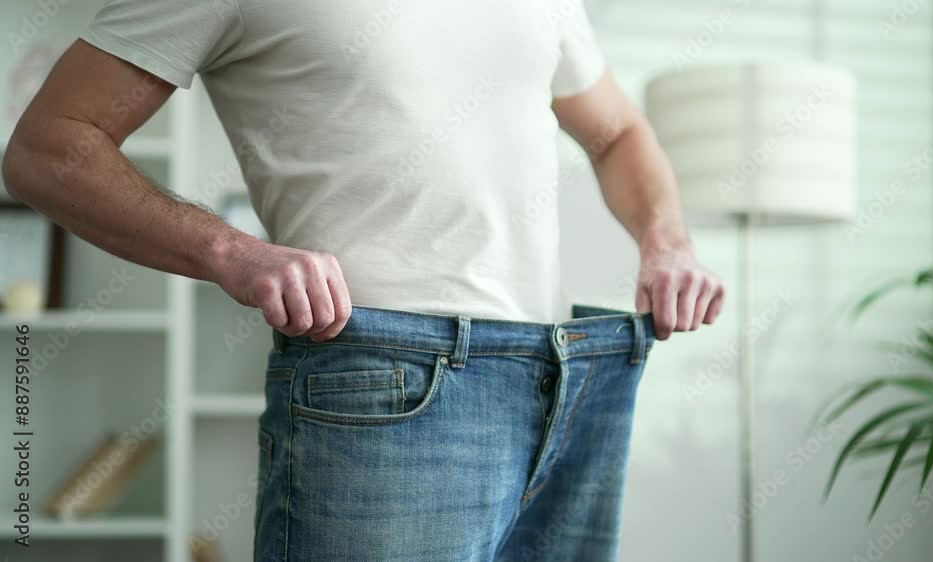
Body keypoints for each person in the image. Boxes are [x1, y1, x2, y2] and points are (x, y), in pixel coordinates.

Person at [2, 0, 725, 560]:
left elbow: (619, 132)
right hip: (388, 381)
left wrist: (668, 244)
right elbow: (48, 148)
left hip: (570, 380)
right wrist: (230, 252)